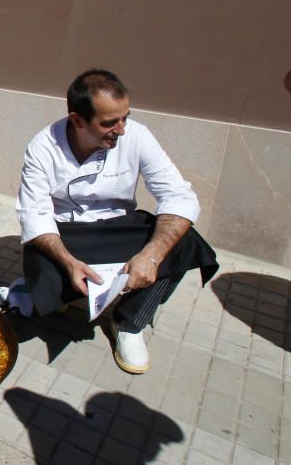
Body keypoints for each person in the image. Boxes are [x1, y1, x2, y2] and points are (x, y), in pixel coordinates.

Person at [16, 69, 218, 374]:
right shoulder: (44, 146)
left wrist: (150, 256)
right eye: (109, 122)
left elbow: (179, 196)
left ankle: (129, 324)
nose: (121, 129)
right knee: (40, 259)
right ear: (77, 120)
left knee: (184, 241)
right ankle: (59, 292)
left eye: (125, 117)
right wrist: (69, 262)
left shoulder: (137, 135)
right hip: (68, 234)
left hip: (116, 229)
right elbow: (35, 215)